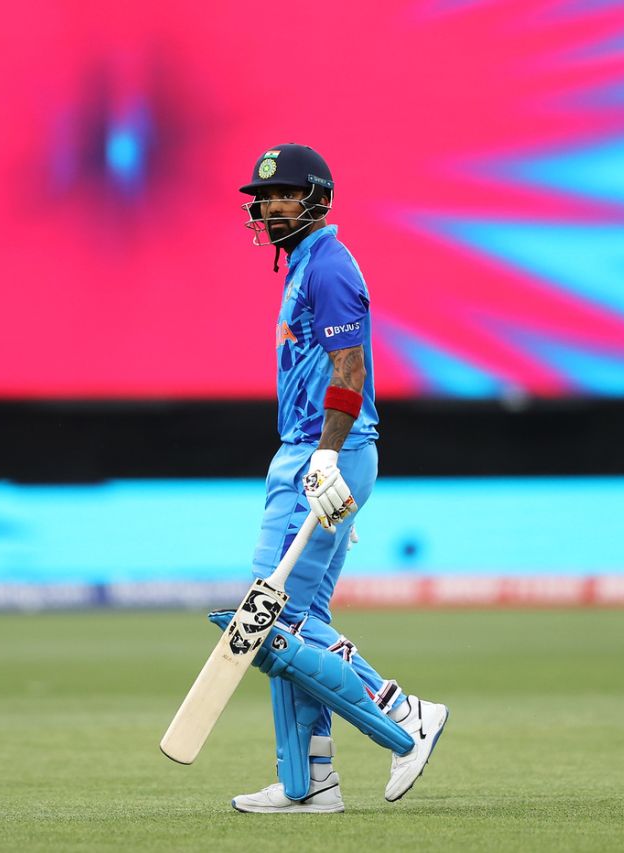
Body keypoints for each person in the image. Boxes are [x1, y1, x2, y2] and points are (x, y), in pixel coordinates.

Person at [228, 143, 448, 813]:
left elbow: (350, 370)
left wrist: (328, 458)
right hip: (314, 452)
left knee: (274, 619)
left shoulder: (329, 266)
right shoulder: (302, 267)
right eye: (262, 197)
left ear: (316, 198)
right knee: (296, 618)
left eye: (282, 194)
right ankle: (310, 778)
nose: (267, 206)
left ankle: (401, 710)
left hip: (324, 451)